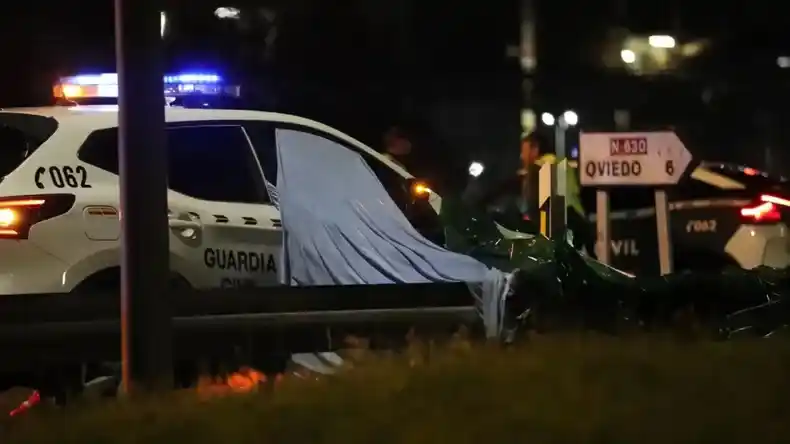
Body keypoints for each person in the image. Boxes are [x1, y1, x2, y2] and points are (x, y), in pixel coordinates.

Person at [520, 131, 593, 254]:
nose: (522, 156)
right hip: (578, 225)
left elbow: (538, 206)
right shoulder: (562, 163)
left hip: (556, 232)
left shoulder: (538, 168)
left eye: (524, 150)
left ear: (535, 148)